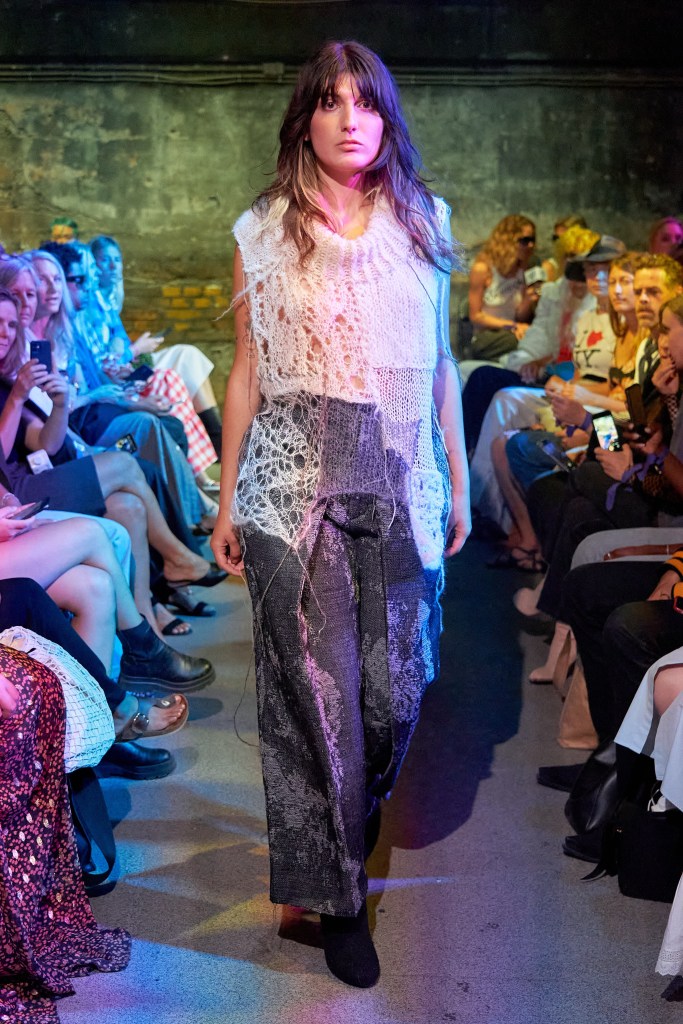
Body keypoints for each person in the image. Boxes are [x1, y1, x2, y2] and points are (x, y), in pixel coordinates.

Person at [211, 40, 469, 989]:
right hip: (290, 478)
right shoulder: (261, 231)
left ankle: (338, 831)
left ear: (386, 118)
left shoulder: (425, 222)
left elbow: (439, 362)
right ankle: (339, 897)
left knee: (391, 695)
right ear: (306, 119)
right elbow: (246, 369)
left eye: (365, 102)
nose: (349, 118)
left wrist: (459, 479)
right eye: (330, 101)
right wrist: (226, 497)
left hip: (397, 468)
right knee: (318, 699)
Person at [89, 234, 224, 457]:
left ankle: (215, 435)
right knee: (183, 362)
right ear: (92, 266)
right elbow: (102, 362)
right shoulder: (91, 305)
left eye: (117, 259)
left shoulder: (110, 299)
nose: (113, 266)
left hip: (129, 364)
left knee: (188, 355)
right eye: (105, 260)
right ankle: (214, 440)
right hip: (120, 374)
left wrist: (136, 349)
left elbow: (118, 348)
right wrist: (137, 349)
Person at [461, 213, 540, 374]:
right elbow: (476, 316)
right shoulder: (483, 269)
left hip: (513, 331)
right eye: (524, 240)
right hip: (486, 336)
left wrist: (528, 300)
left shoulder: (524, 268)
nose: (531, 245)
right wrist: (513, 326)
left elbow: (520, 316)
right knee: (528, 343)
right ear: (507, 240)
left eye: (533, 240)